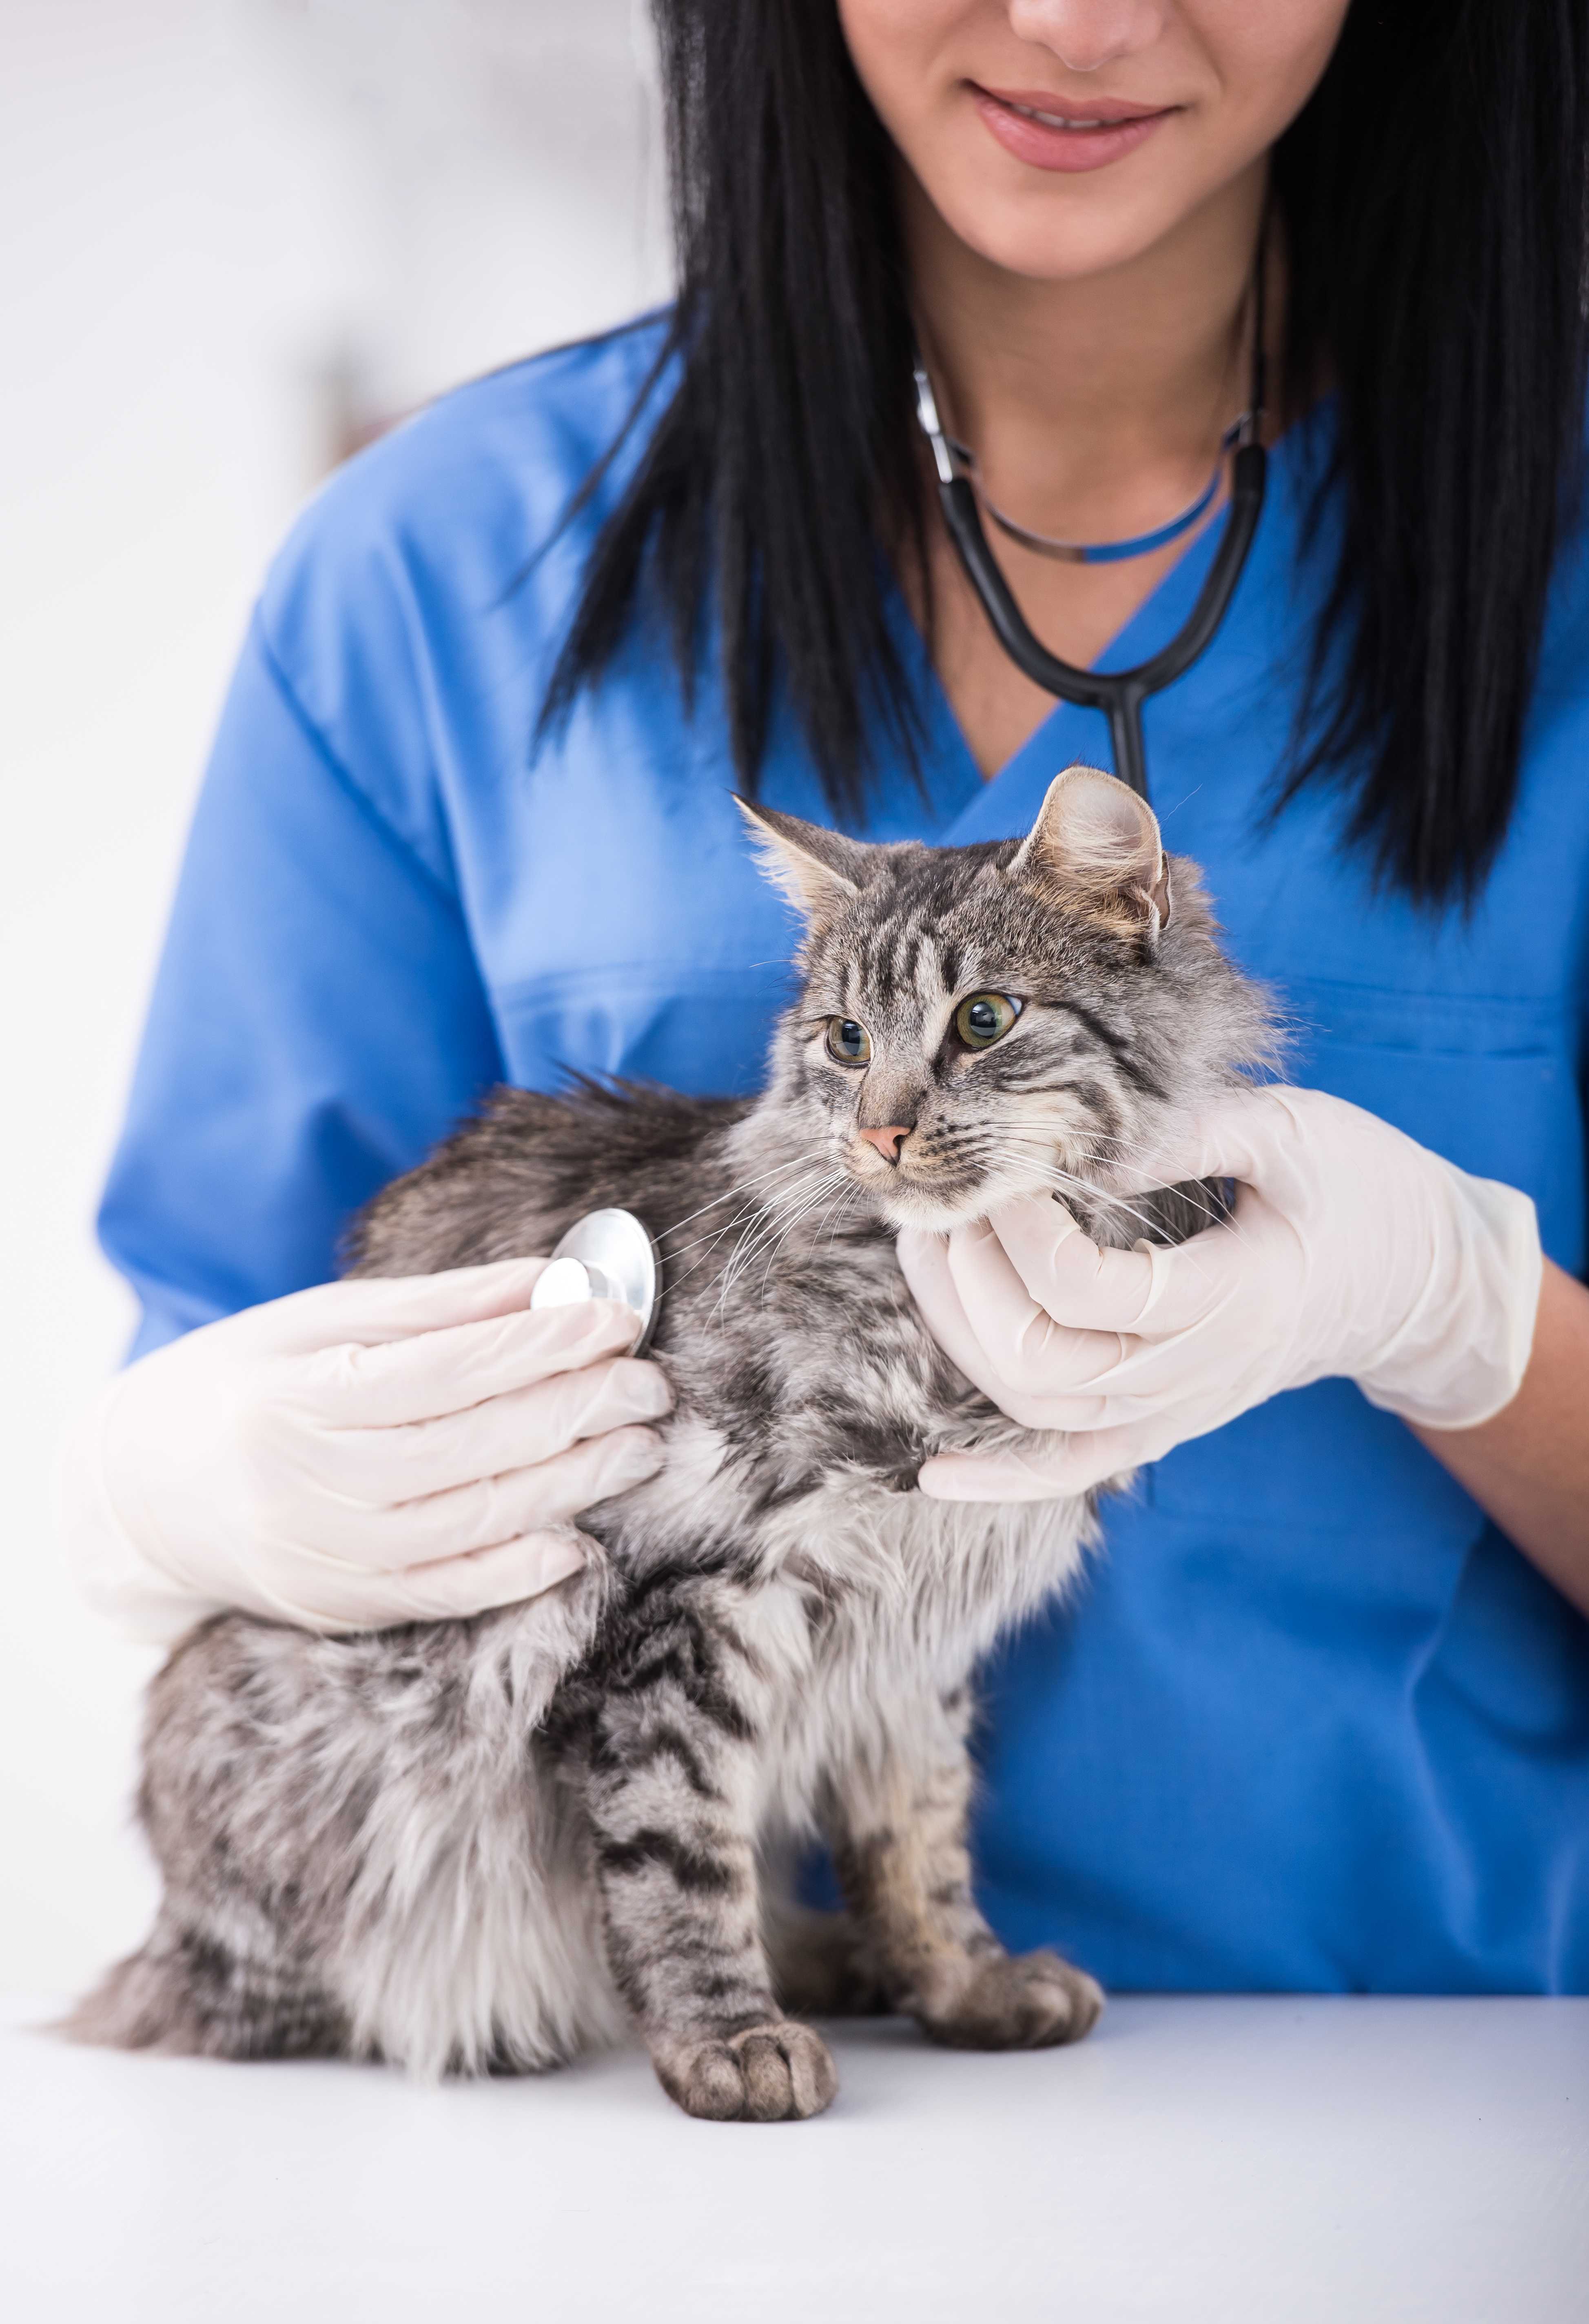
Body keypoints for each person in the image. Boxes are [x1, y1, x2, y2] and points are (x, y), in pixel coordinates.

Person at [62, 0, 1589, 1993]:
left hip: (1459, 2111)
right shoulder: (433, 572)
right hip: (622, 2148)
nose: (1078, 19)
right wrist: (158, 1495)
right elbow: (257, 1399)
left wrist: (1464, 1314)